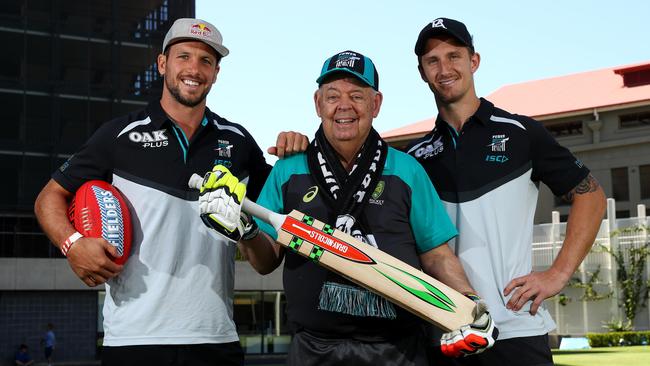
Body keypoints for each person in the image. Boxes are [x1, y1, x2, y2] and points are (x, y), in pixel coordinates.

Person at [33, 18, 306, 366]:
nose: (194, 68)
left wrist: (295, 154)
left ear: (217, 72)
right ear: (163, 64)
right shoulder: (119, 135)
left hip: (216, 339)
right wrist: (72, 245)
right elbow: (48, 197)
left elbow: (267, 259)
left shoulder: (238, 142)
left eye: (206, 61)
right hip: (134, 339)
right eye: (184, 57)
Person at [197, 50, 497, 366]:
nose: (344, 106)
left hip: (397, 351)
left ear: (376, 104)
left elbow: (437, 255)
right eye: (332, 96)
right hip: (314, 350)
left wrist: (470, 303)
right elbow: (265, 260)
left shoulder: (407, 170)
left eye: (357, 95)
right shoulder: (287, 171)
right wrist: (247, 231)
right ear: (317, 103)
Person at [407, 18, 607, 365]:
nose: (444, 68)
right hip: (445, 330)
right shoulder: (414, 157)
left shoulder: (520, 133)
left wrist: (557, 274)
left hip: (515, 328)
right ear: (422, 72)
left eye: (454, 56)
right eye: (432, 61)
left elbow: (591, 195)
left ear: (474, 61)